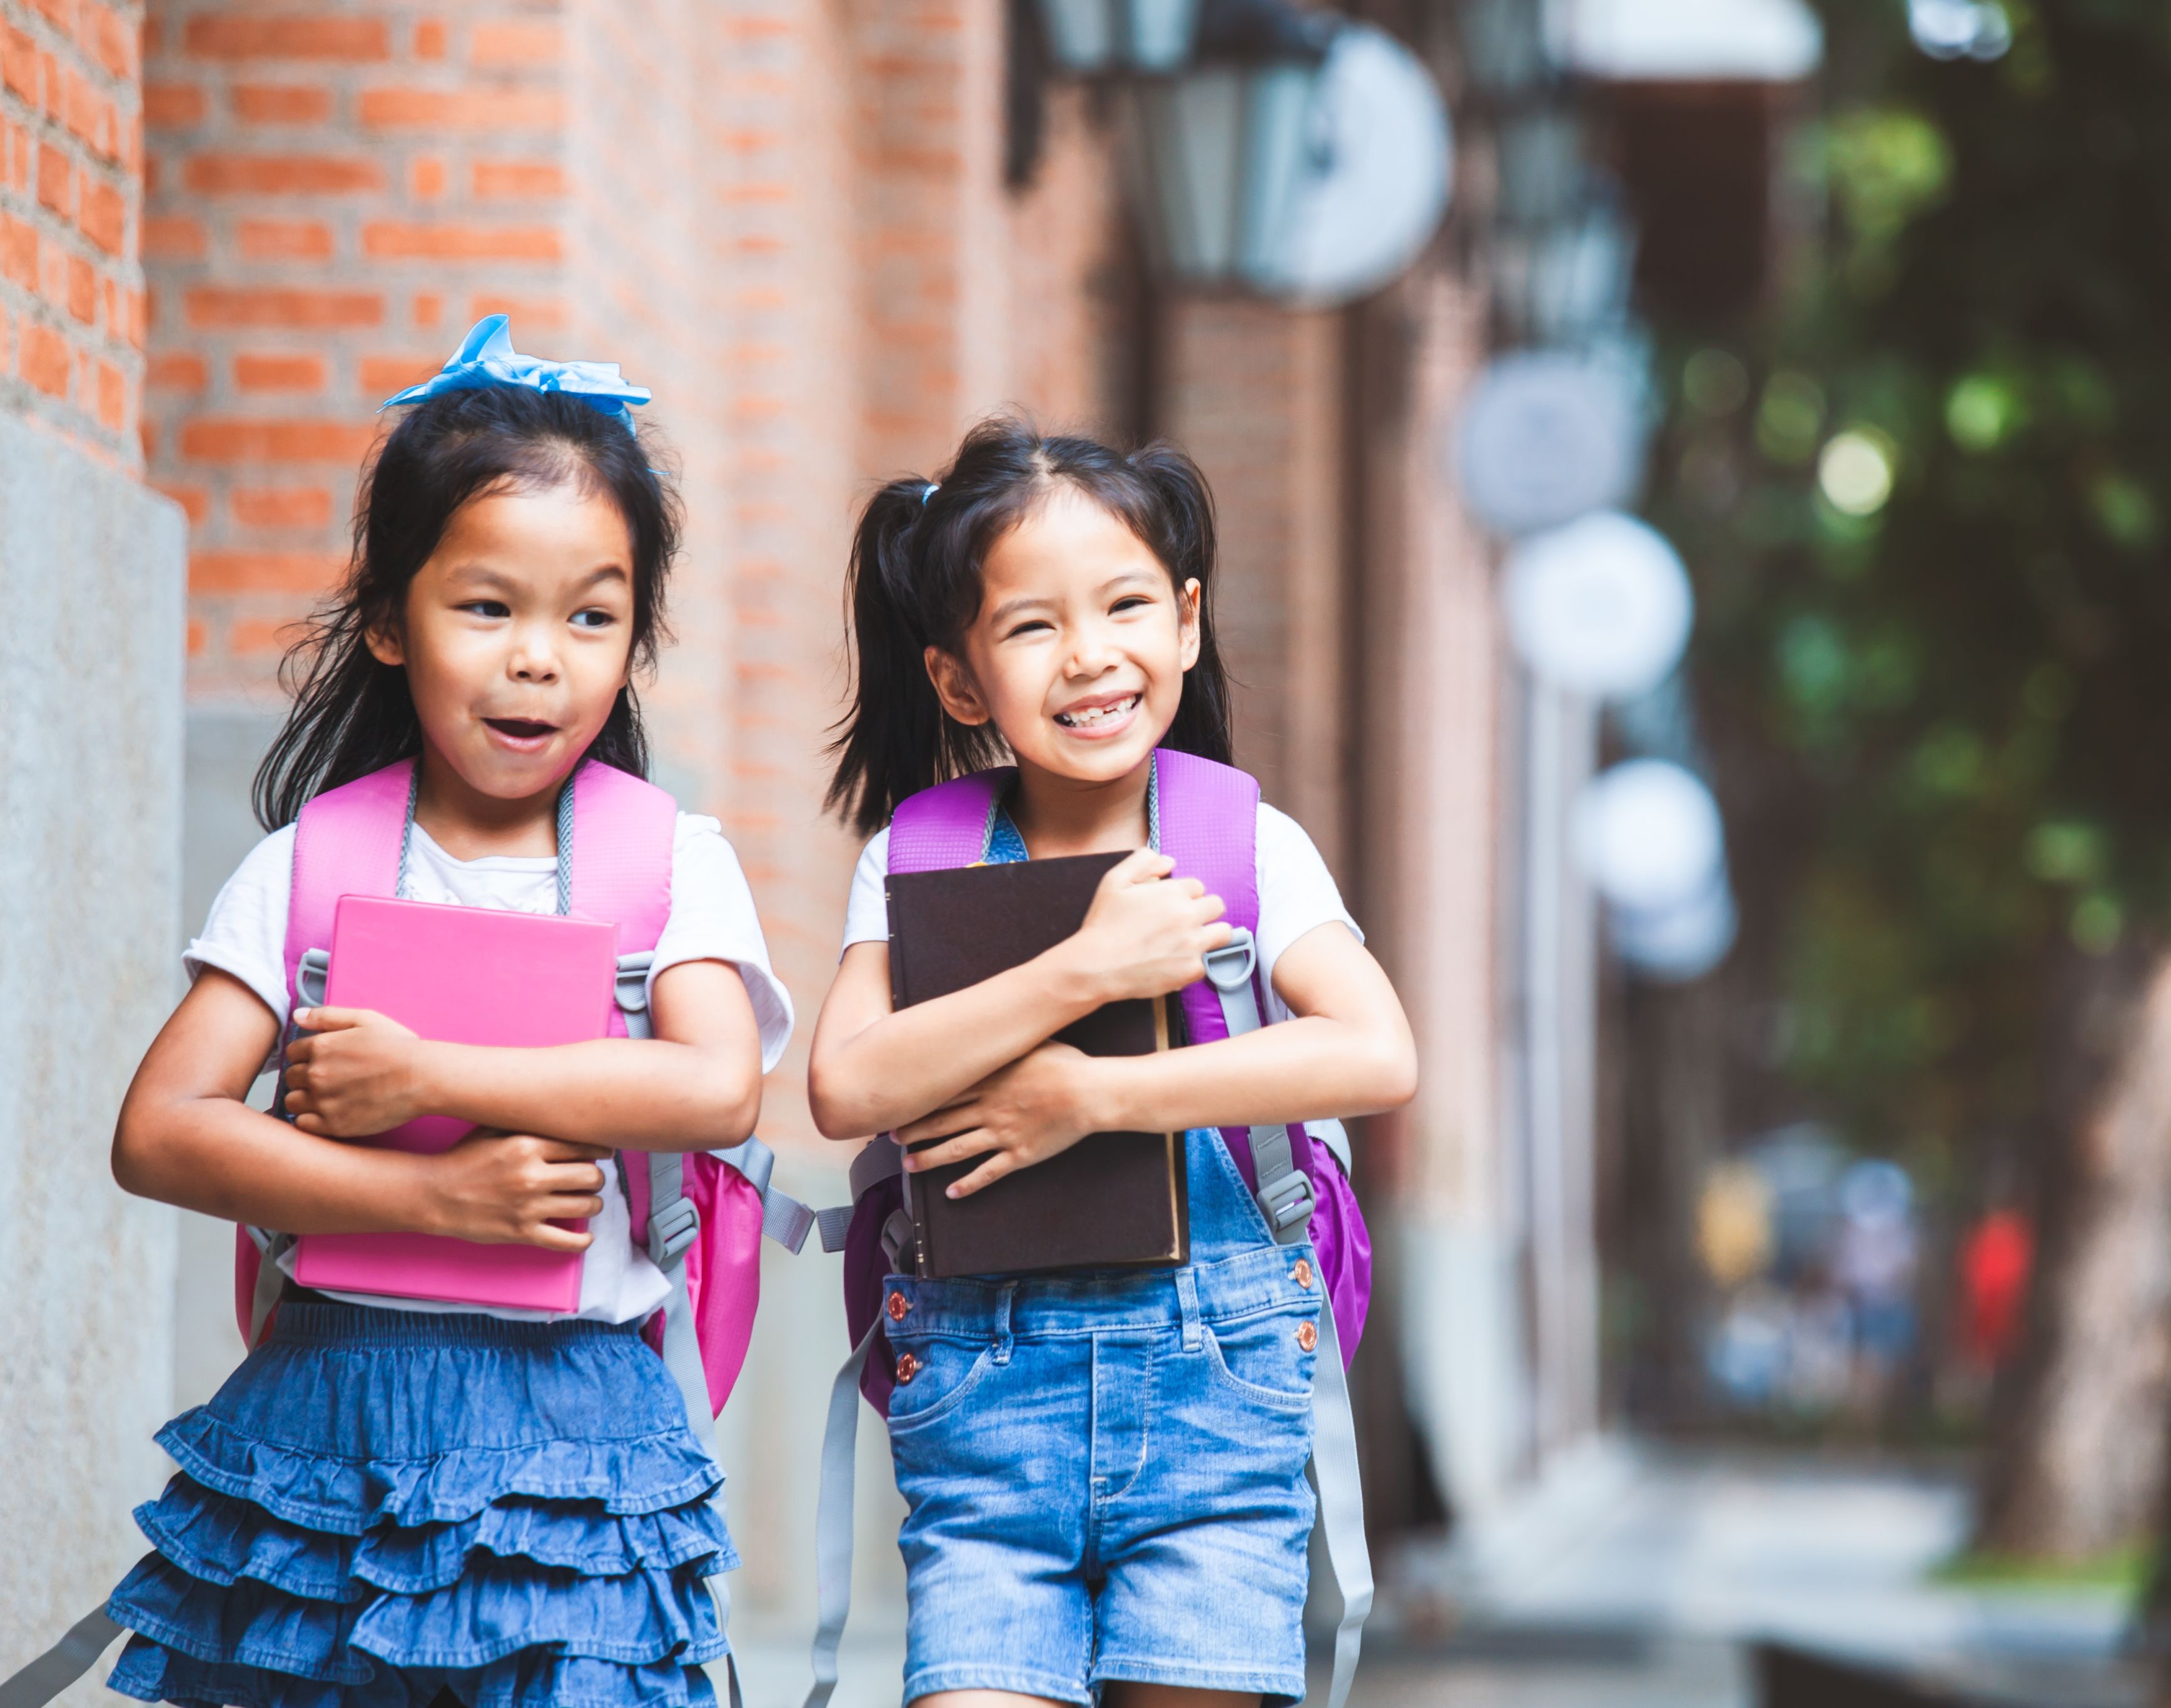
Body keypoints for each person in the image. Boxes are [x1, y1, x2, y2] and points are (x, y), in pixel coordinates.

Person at [101, 319, 792, 1708]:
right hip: (329, 1410)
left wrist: (430, 1068)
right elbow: (159, 1132)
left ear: (633, 642)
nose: (539, 658)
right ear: (386, 617)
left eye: (590, 617)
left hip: (580, 1429)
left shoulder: (671, 861)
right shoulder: (308, 862)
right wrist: (428, 1199)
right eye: (488, 608)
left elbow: (716, 1089)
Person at [807, 418, 1418, 1708]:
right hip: (985, 1417)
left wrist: (1092, 1097)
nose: (1089, 655)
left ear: (1185, 622)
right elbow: (844, 1085)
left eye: (1126, 604)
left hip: (1219, 1394)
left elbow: (1375, 1051)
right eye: (1030, 626)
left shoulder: (1245, 841)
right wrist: (1082, 970)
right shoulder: (918, 857)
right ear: (960, 680)